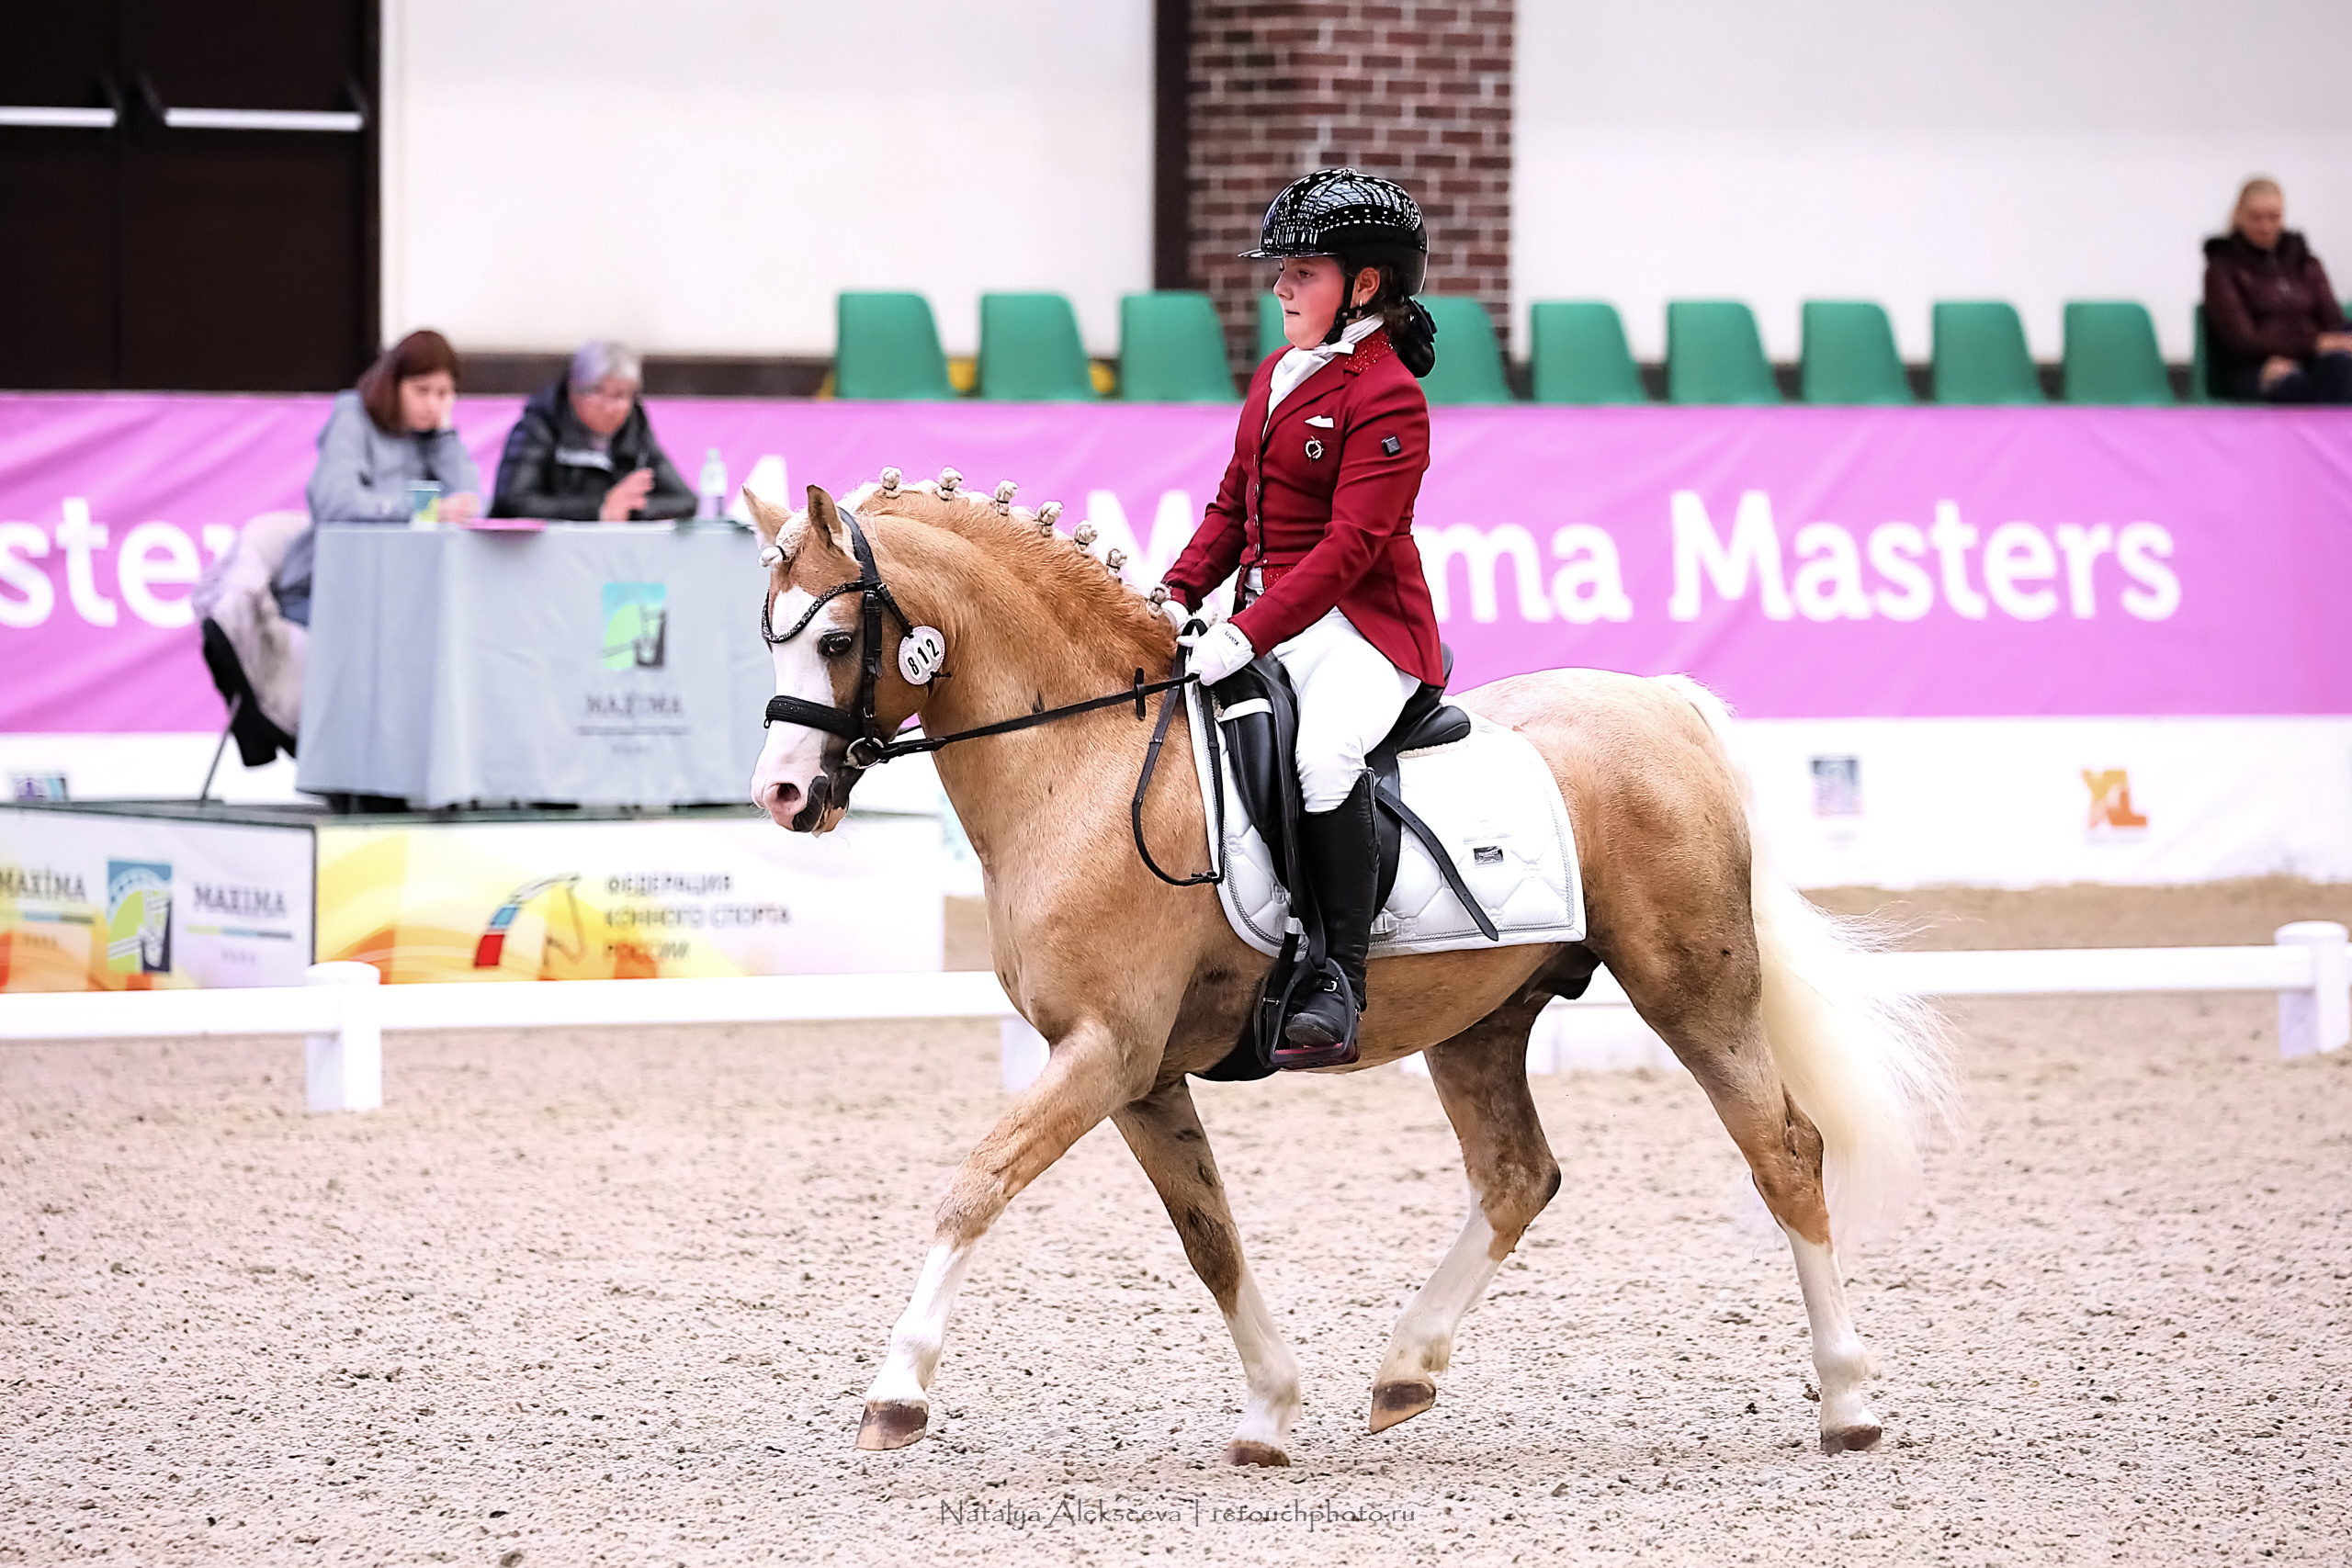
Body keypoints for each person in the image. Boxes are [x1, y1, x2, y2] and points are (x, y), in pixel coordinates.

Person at [1153, 167, 1445, 1070]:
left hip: (1363, 630)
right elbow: (1231, 509)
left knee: (1322, 755)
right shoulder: (1278, 374)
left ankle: (1335, 975)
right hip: (1273, 614)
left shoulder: (1388, 394)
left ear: (1365, 284)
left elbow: (1351, 547)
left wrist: (1246, 633)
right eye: (1279, 270)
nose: (1279, 286)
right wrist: (1173, 593)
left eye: (1302, 271)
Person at [274, 328, 481, 626]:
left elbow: (472, 504)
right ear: (394, 385)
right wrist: (426, 510)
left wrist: (445, 437)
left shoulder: (434, 438)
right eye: (422, 391)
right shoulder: (353, 419)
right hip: (325, 590)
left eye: (443, 394)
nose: (432, 405)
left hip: (399, 591)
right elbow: (338, 504)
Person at [490, 341, 695, 521]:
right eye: (597, 392)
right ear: (573, 390)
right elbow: (513, 502)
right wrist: (598, 509)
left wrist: (631, 509)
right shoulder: (539, 426)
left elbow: (686, 501)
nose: (609, 407)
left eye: (621, 396)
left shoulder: (635, 432)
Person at [2203, 178, 2352, 403]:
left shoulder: (2305, 263)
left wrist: (2325, 346)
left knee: (2339, 366)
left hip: (2313, 360)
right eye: (2256, 218)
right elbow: (2242, 340)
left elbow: (2331, 319)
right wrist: (2314, 344)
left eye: (2274, 217)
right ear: (2239, 216)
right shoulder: (2222, 268)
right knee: (2292, 383)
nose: (2265, 227)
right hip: (2254, 366)